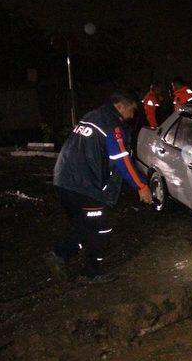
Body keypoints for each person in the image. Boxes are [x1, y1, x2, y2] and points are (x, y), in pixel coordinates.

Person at [49, 89, 153, 284]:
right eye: (131, 110)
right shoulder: (111, 125)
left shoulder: (92, 116)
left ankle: (64, 255)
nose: (133, 115)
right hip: (85, 185)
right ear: (120, 106)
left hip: (63, 180)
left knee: (83, 224)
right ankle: (87, 271)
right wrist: (141, 185)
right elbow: (122, 159)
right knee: (100, 228)